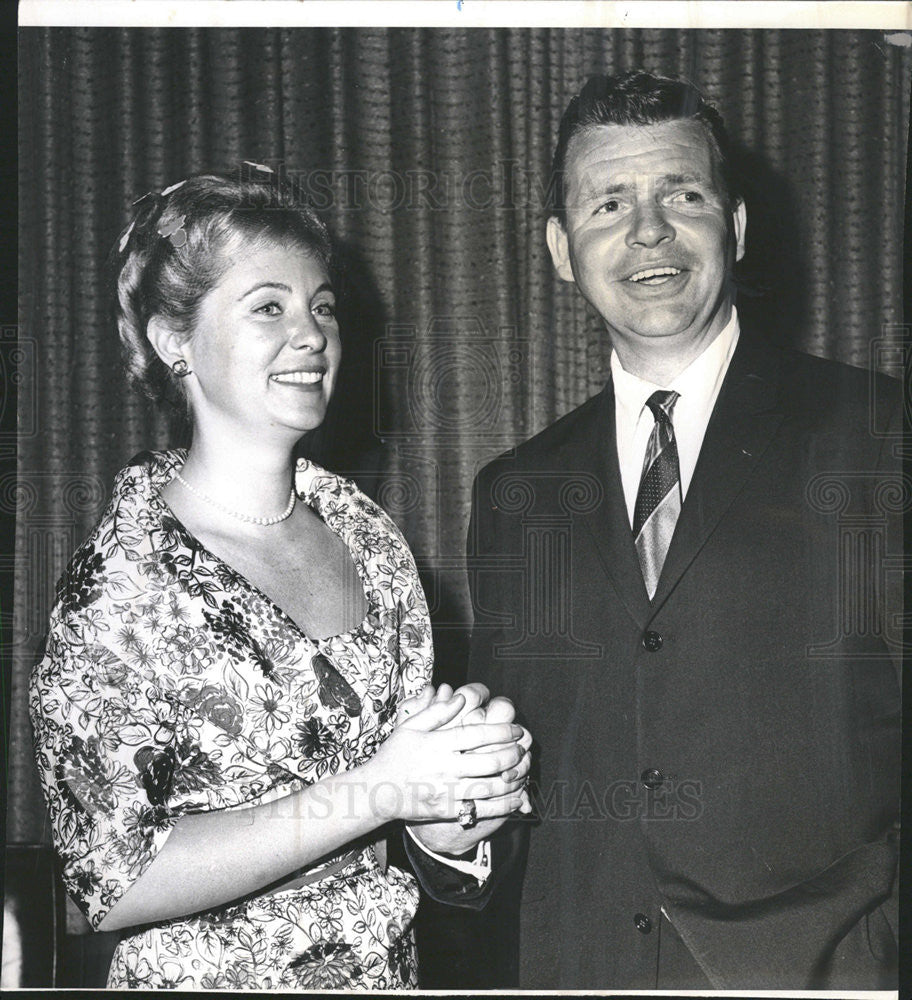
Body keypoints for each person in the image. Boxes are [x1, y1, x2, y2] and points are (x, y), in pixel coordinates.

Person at [29, 171, 532, 990]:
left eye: (322, 307)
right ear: (172, 340)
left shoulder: (368, 536)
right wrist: (377, 791)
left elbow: (402, 825)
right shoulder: (118, 583)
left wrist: (456, 801)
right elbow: (108, 883)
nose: (312, 335)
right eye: (269, 306)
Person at [463, 71, 902, 990]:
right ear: (559, 247)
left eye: (683, 194)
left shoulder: (879, 435)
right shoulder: (515, 493)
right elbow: (508, 791)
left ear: (735, 228)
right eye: (608, 203)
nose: (648, 230)